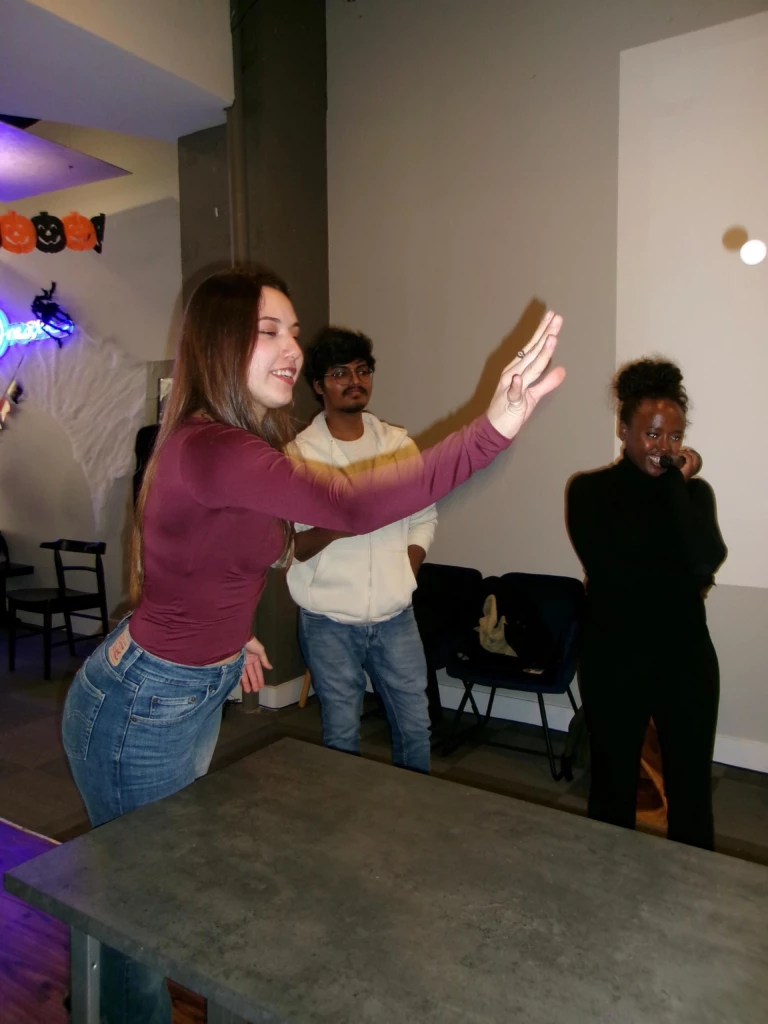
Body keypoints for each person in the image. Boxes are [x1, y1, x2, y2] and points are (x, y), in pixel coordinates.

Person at [61, 268, 563, 1024]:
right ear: (220, 342)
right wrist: (490, 429)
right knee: (143, 916)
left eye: (293, 331)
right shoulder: (212, 446)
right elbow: (349, 505)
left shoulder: (234, 443)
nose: (292, 348)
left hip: (181, 690)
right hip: (142, 705)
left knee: (154, 895)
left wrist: (232, 638)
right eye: (269, 331)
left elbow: (196, 559)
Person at [566, 359, 725, 851]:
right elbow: (617, 569)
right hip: (615, 659)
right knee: (612, 789)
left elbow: (707, 559)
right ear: (623, 430)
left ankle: (693, 886)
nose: (665, 448)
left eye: (675, 438)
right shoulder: (589, 490)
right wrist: (680, 571)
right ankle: (608, 884)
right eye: (653, 434)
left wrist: (676, 484)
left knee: (691, 792)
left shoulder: (693, 494)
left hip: (687, 660)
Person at [287, 327, 437, 773]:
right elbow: (292, 547)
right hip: (328, 621)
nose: (355, 381)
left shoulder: (398, 447)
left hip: (396, 617)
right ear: (319, 385)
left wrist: (407, 571)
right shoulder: (299, 457)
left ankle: (413, 811)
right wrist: (342, 525)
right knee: (340, 735)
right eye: (340, 373)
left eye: (362, 370)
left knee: (415, 727)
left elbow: (424, 517)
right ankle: (344, 817)